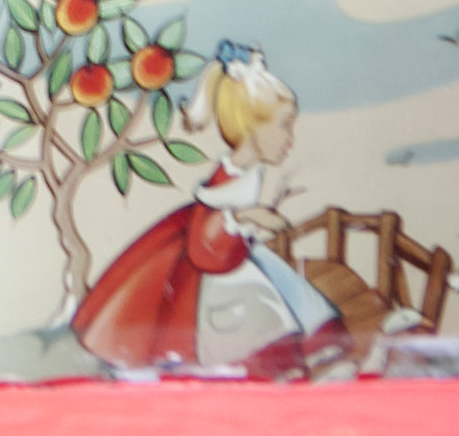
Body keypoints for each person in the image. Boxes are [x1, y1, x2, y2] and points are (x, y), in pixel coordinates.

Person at [72, 41, 349, 377]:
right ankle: (279, 371)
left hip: (230, 252)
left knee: (291, 289)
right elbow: (204, 242)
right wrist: (249, 216)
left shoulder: (250, 170)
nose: (290, 137)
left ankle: (318, 354)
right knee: (259, 309)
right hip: (212, 264)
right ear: (251, 127)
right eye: (283, 125)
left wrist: (257, 215)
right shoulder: (228, 175)